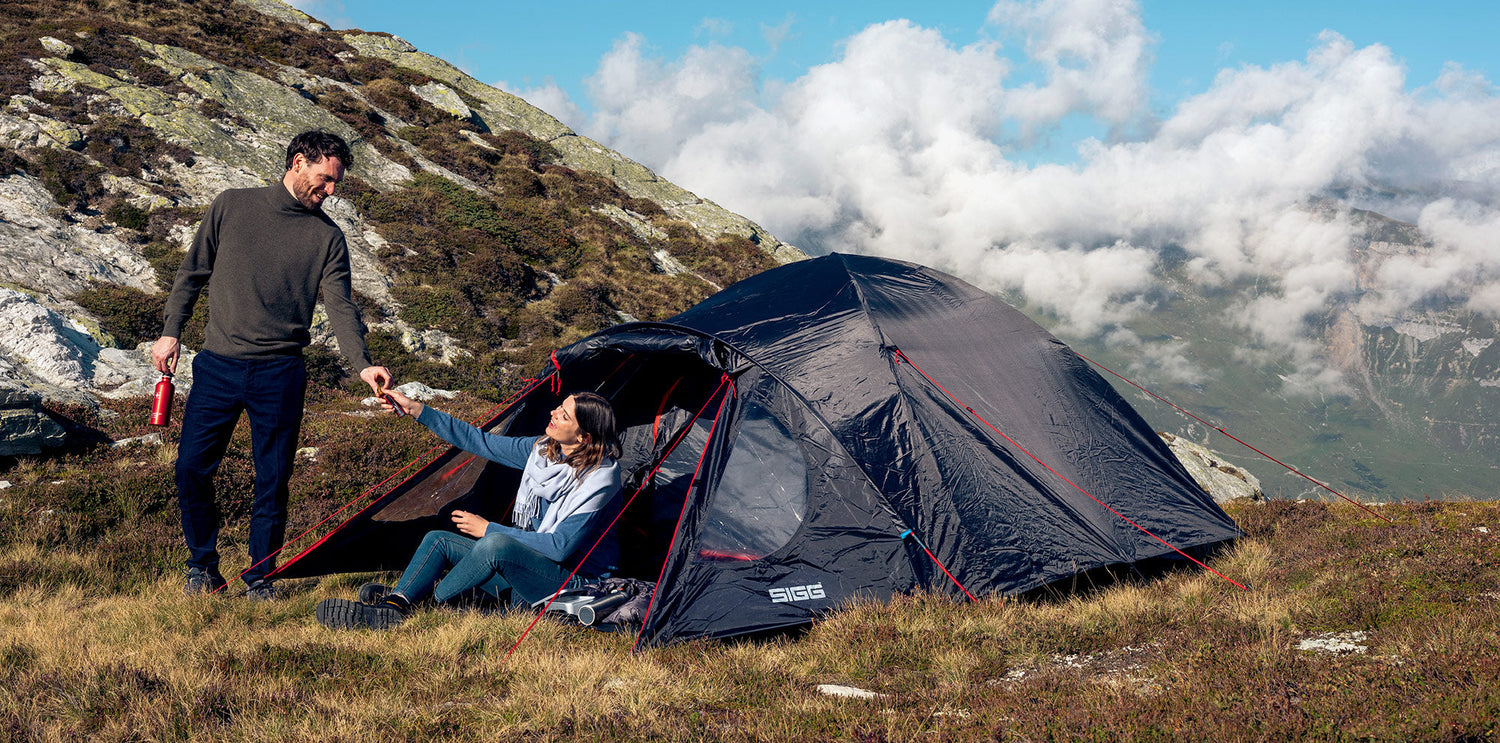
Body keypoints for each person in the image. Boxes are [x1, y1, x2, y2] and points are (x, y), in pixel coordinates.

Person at [152, 130, 392, 599]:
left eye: (336, 183)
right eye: (325, 179)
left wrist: (362, 364)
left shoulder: (329, 238)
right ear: (298, 163)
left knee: (273, 477)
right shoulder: (231, 205)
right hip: (218, 366)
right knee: (190, 469)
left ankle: (260, 575)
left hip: (280, 373)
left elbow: (341, 307)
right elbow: (192, 273)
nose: (331, 191)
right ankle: (202, 567)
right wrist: (170, 331)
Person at [316, 389, 623, 630]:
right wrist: (417, 410)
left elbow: (559, 547)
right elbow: (480, 441)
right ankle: (397, 603)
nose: (554, 413)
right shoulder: (542, 452)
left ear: (582, 438)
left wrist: (489, 529)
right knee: (438, 539)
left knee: (495, 544)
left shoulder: (601, 480)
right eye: (560, 406)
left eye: (564, 415)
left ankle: (425, 605)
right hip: (527, 569)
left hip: (571, 583)